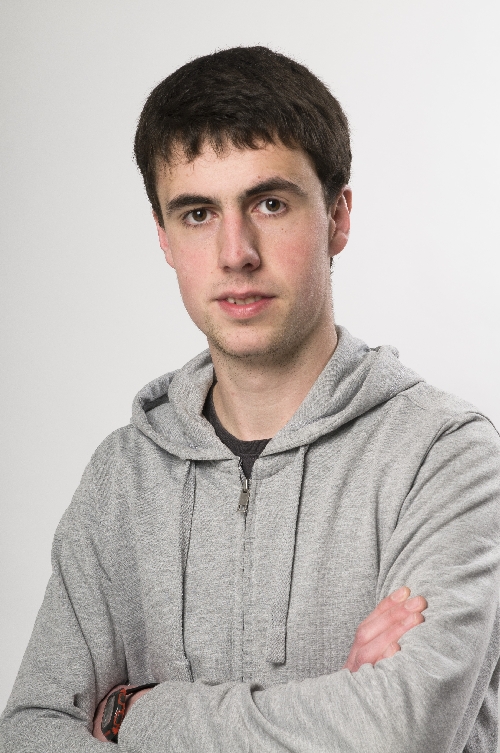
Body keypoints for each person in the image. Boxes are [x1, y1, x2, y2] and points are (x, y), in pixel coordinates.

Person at [1, 46, 499, 753]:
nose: (236, 252)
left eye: (270, 203)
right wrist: (338, 713)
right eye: (198, 213)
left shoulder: (444, 457)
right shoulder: (122, 477)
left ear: (338, 216)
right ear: (164, 238)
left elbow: (402, 730)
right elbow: (29, 729)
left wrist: (134, 715)